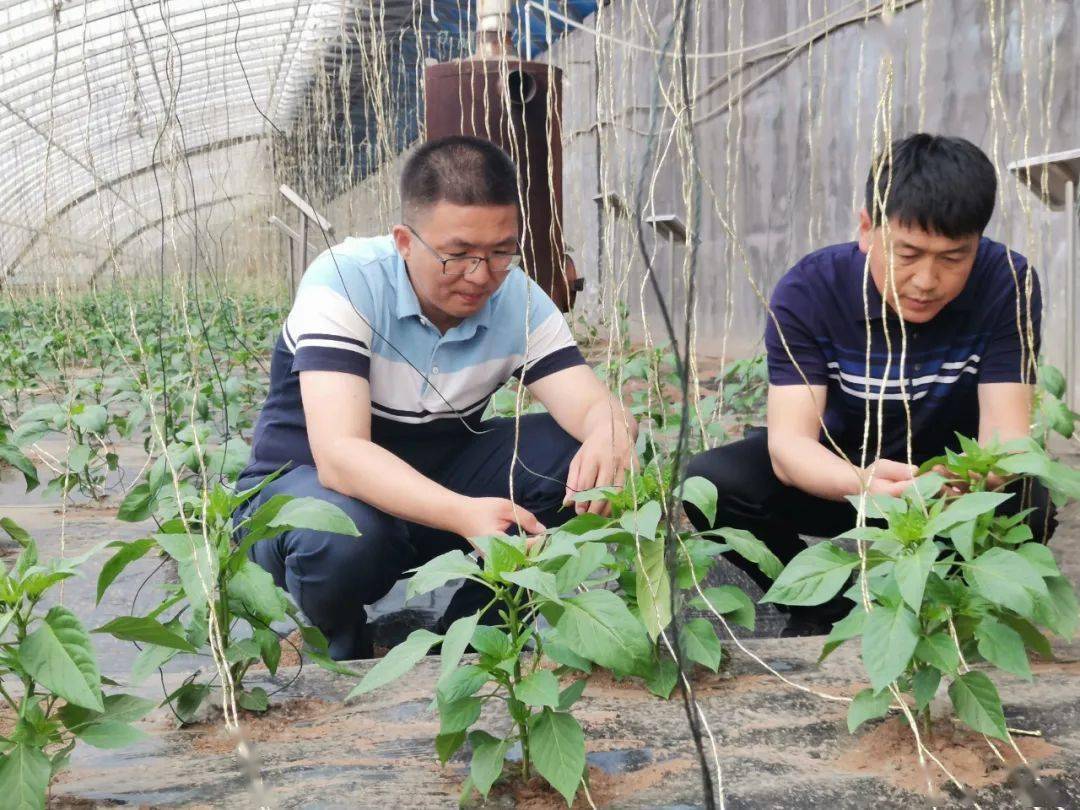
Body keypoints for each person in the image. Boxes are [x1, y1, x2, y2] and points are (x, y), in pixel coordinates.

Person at [235, 136, 636, 659]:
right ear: (405, 240)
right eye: (458, 255)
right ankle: (344, 647)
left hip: (433, 492)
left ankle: (470, 641)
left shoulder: (515, 298)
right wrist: (464, 515)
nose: (480, 276)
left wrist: (611, 431)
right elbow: (339, 457)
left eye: (499, 253)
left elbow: (589, 403)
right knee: (337, 530)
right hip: (308, 496)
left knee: (573, 457)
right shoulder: (346, 280)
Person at [684, 133, 1055, 635]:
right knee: (709, 483)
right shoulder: (812, 290)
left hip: (948, 484)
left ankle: (943, 608)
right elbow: (790, 447)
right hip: (842, 476)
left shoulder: (1007, 283)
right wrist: (865, 484)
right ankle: (823, 607)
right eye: (908, 253)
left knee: (1030, 497)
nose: (926, 280)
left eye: (952, 258)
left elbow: (1006, 441)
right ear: (866, 228)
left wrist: (947, 481)